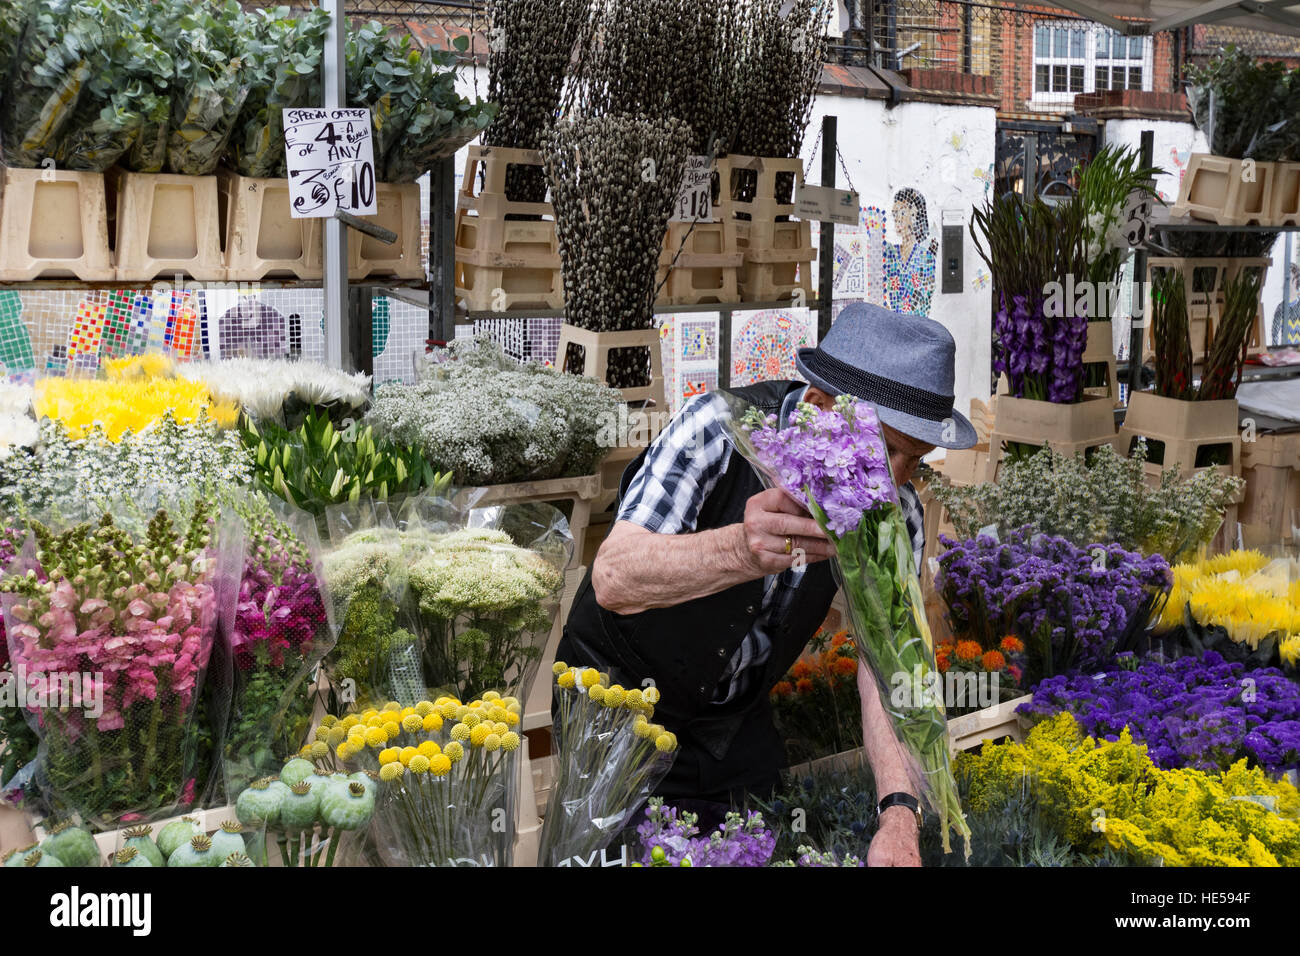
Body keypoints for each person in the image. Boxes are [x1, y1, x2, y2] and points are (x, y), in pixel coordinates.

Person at [557, 302, 977, 866]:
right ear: (821, 406)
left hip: (732, 721)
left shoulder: (894, 513)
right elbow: (614, 576)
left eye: (915, 460)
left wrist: (899, 813)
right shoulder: (716, 429)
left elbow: (890, 668)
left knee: (758, 845)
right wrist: (738, 549)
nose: (896, 480)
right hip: (619, 705)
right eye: (887, 449)